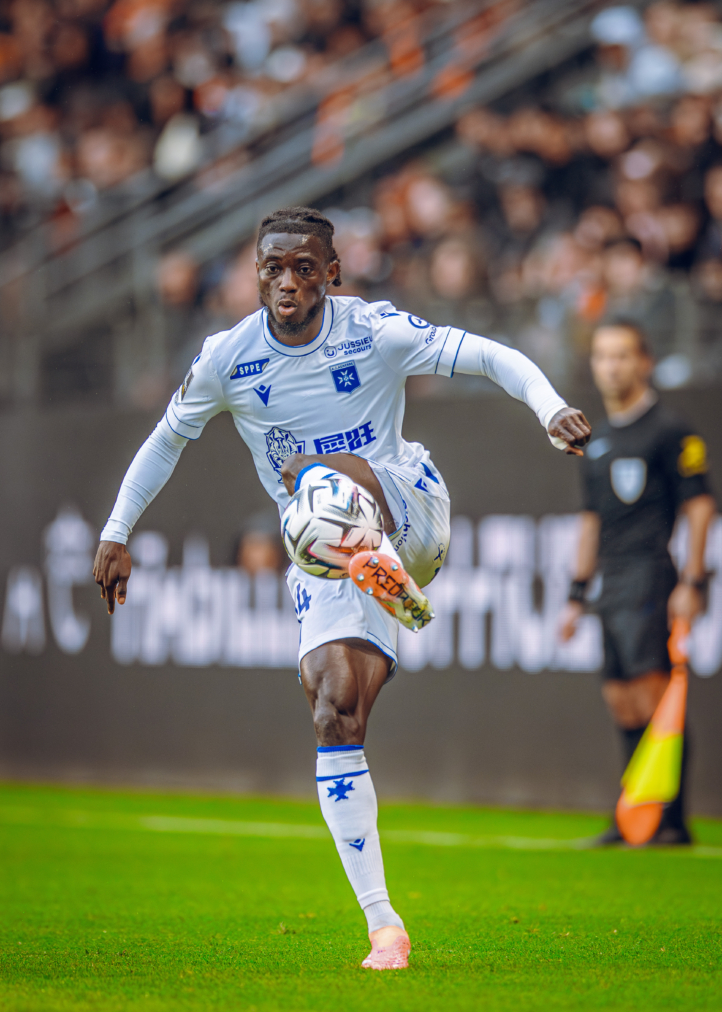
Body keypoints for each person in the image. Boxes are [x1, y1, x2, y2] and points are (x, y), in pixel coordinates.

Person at [93, 206, 591, 970]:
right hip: (327, 555)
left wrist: (549, 407)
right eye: (272, 268)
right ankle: (383, 926)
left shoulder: (374, 330)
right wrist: (116, 530)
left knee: (314, 480)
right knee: (334, 712)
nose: (287, 282)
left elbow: (490, 355)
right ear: (256, 274)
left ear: (331, 273)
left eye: (304, 268)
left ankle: (380, 561)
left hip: (408, 507)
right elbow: (166, 440)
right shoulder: (227, 357)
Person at [559, 318, 715, 845]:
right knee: (620, 699)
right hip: (612, 581)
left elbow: (699, 507)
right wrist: (576, 594)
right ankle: (634, 816)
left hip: (652, 574)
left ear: (645, 362)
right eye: (603, 356)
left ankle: (671, 820)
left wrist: (693, 581)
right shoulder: (597, 439)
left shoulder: (670, 431)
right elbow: (591, 520)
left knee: (653, 696)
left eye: (622, 355)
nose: (611, 366)